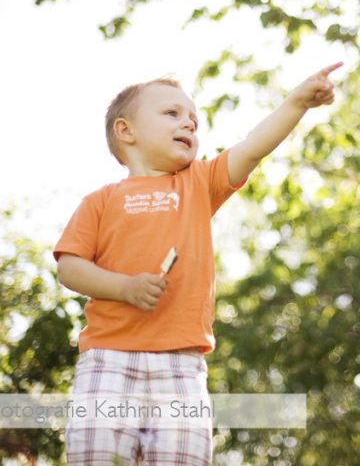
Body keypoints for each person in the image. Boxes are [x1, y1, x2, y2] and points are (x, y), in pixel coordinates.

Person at [54, 61, 343, 465]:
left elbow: (253, 146)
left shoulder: (198, 182)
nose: (188, 123)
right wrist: (125, 288)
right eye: (172, 113)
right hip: (108, 358)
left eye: (193, 119)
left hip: (181, 364)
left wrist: (297, 102)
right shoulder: (99, 201)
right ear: (126, 131)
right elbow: (70, 268)